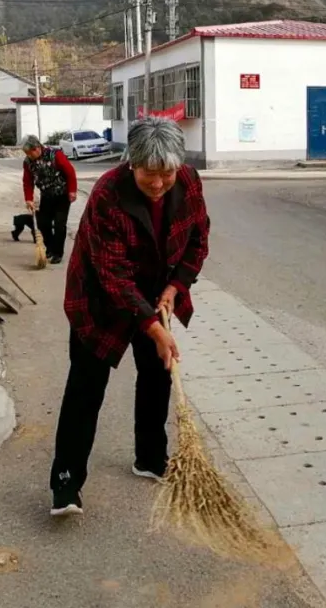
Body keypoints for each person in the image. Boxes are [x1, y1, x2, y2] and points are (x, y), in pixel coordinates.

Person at [49, 115, 210, 517]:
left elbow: (198, 240)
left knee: (157, 377)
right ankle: (66, 482)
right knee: (86, 388)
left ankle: (151, 458)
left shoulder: (188, 181)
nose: (159, 184)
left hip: (155, 294)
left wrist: (175, 289)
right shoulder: (107, 193)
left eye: (167, 174)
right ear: (130, 163)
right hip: (100, 299)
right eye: (149, 175)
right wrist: (153, 328)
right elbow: (113, 276)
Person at [21, 135, 78, 265]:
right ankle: (50, 248)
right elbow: (27, 181)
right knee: (43, 223)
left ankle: (58, 253)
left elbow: (70, 172)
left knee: (59, 224)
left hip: (62, 195)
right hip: (46, 195)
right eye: (27, 153)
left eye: (30, 153)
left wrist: (72, 190)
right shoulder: (28, 162)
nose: (29, 155)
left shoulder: (55, 155)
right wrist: (28, 199)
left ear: (37, 148)